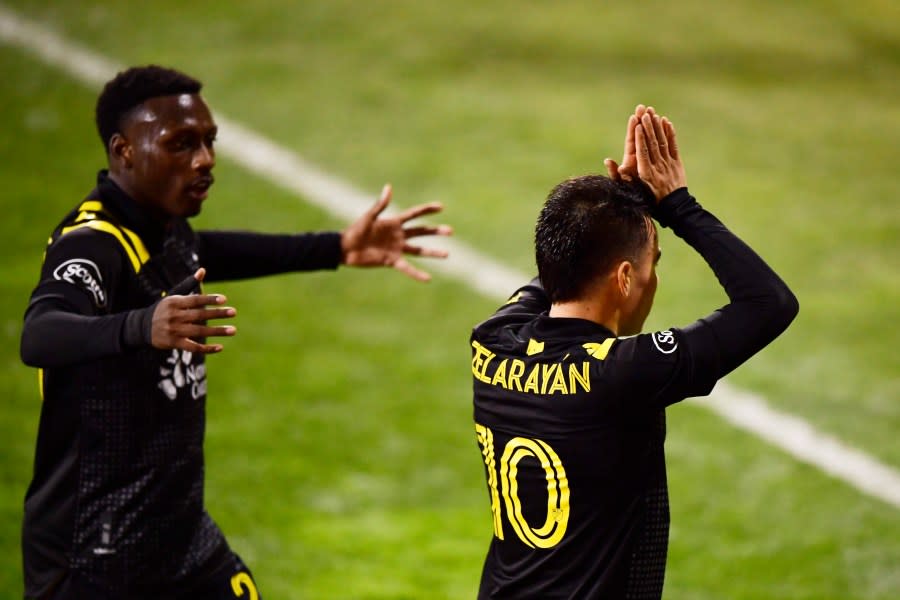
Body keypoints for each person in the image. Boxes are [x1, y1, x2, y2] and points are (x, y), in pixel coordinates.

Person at [19, 65, 451, 600]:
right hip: (95, 558)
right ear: (124, 151)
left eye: (208, 141)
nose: (204, 160)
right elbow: (39, 333)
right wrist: (141, 324)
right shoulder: (92, 245)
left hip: (178, 537)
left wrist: (336, 248)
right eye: (180, 144)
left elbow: (213, 250)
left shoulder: (163, 227)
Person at [470, 105, 798, 599]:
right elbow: (769, 303)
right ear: (625, 278)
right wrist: (677, 207)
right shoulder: (625, 375)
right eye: (651, 264)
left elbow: (563, 269)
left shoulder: (492, 341)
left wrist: (621, 206)